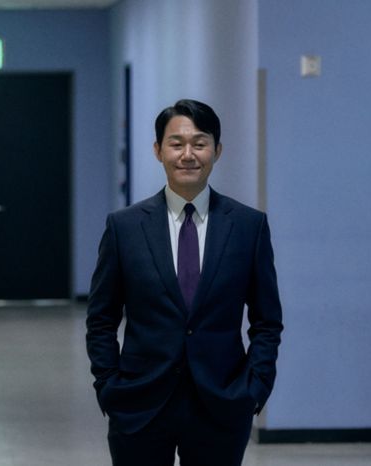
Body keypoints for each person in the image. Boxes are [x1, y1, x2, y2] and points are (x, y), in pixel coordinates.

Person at [86, 99, 283, 466]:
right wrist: (109, 386)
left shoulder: (248, 226)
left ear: (217, 151)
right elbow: (101, 318)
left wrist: (255, 387)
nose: (188, 155)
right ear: (158, 150)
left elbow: (267, 320)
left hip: (222, 403)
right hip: (140, 403)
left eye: (200, 143)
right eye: (176, 144)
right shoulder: (124, 227)